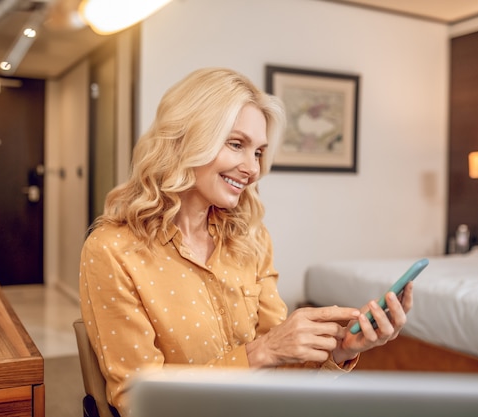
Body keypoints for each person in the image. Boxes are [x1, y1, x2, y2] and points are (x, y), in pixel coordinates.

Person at [79, 67, 413, 416]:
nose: (253, 168)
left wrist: (339, 350)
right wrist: (261, 352)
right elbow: (138, 401)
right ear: (184, 141)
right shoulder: (112, 250)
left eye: (258, 152)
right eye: (236, 144)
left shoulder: (250, 238)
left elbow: (280, 375)